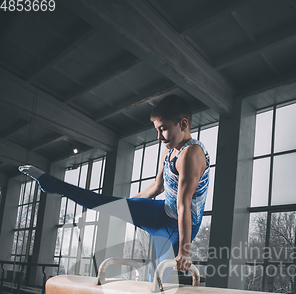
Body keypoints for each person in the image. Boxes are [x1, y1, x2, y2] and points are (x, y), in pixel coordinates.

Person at [19, 95, 210, 281]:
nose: (159, 136)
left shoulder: (191, 154)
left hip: (178, 226)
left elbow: (183, 204)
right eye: (156, 130)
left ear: (183, 124)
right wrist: (128, 204)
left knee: (156, 281)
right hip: (161, 211)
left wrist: (185, 251)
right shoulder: (169, 151)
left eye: (163, 129)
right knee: (106, 203)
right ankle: (51, 183)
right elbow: (158, 187)